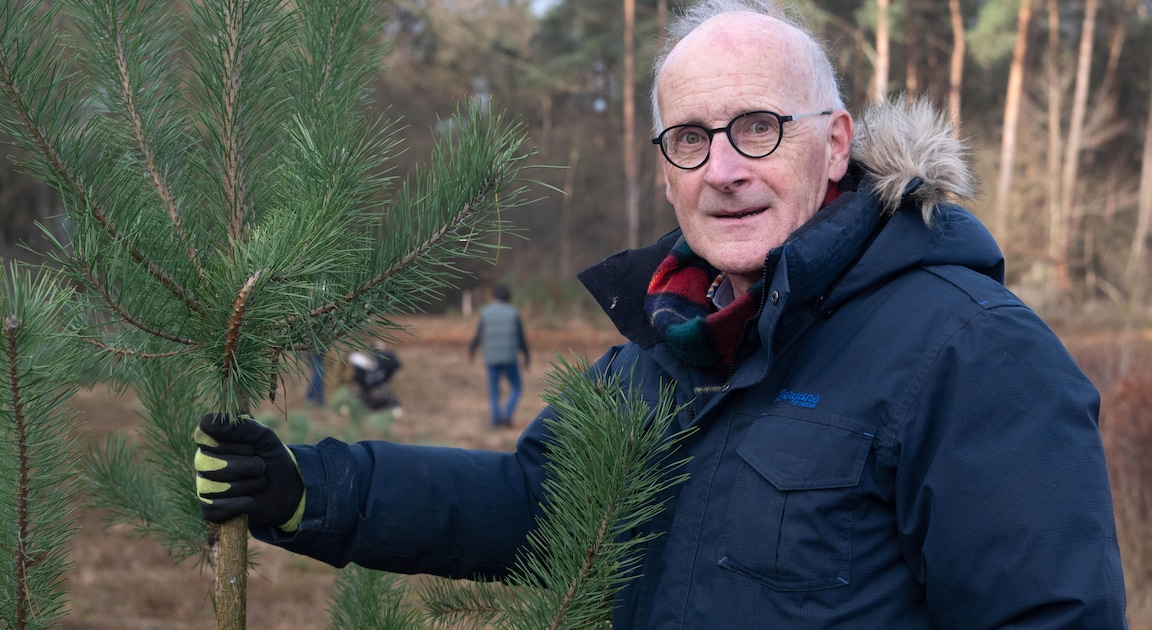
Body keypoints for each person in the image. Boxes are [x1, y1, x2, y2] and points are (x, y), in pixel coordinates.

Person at [193, 1, 1128, 626]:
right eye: (690, 139)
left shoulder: (971, 351)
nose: (723, 169)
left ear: (836, 144)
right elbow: (533, 507)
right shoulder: (667, 350)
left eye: (757, 127)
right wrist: (309, 489)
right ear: (665, 168)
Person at [467, 284, 531, 428]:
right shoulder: (514, 313)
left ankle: (496, 421)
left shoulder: (486, 312)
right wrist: (526, 356)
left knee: (494, 390)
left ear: (494, 296)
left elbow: (478, 334)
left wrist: (471, 350)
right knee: (516, 387)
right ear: (509, 297)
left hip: (491, 357)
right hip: (509, 357)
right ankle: (507, 415)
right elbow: (521, 337)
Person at [348, 340, 402, 412]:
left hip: (379, 387)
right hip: (367, 390)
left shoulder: (386, 359)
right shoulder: (362, 361)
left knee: (386, 394)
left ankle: (395, 408)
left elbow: (395, 365)